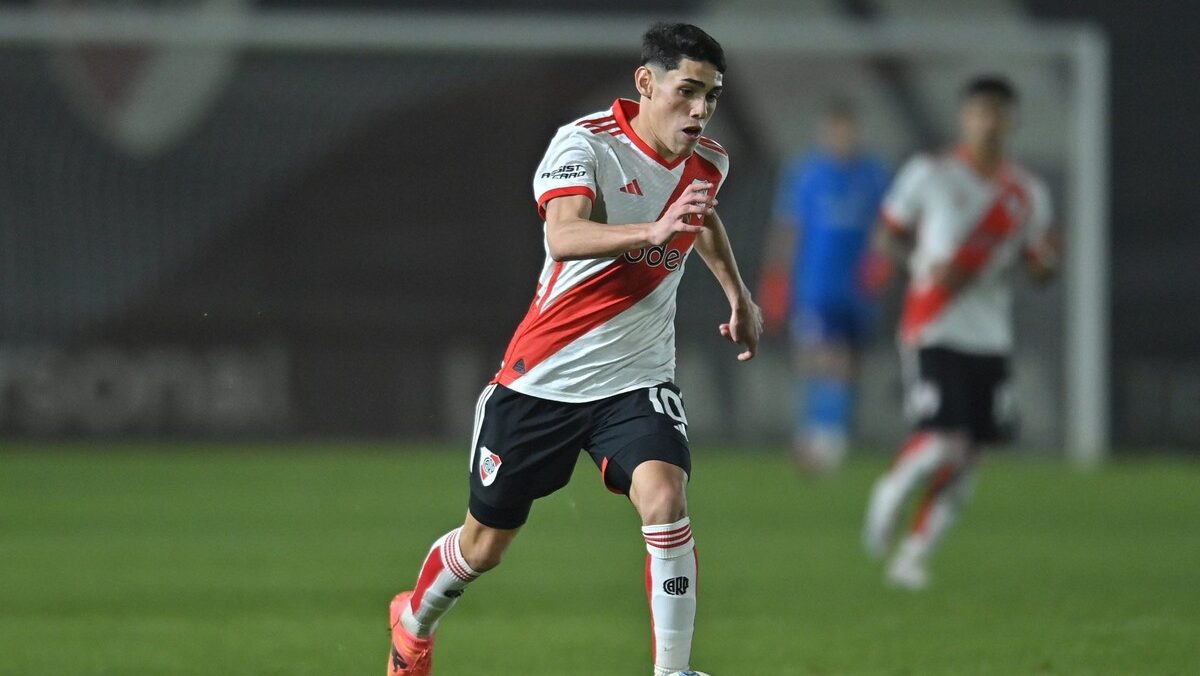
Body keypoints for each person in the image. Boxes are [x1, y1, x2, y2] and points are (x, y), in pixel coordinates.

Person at [386, 23, 761, 676]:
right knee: (485, 546)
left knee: (666, 499)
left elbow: (704, 215)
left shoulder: (709, 162)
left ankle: (673, 671)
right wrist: (654, 227)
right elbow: (563, 236)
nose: (700, 110)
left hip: (635, 380)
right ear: (647, 83)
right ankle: (413, 624)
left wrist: (738, 294)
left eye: (712, 97)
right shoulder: (585, 144)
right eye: (688, 91)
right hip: (543, 380)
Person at [862, 75, 1058, 590]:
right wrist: (919, 266)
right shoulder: (929, 173)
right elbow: (886, 235)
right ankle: (891, 490)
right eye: (979, 111)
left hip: (990, 335)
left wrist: (1045, 265)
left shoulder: (1027, 193)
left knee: (973, 455)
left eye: (997, 112)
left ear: (1012, 120)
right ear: (964, 118)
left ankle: (914, 553)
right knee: (940, 441)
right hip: (933, 323)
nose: (988, 122)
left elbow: (1041, 266)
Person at [760, 102, 891, 473]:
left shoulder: (873, 176)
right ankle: (821, 437)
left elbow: (887, 226)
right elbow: (788, 230)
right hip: (816, 284)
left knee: (847, 361)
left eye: (848, 130)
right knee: (820, 356)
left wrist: (881, 265)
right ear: (825, 133)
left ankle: (828, 434)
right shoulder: (808, 176)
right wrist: (777, 280)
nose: (842, 138)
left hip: (858, 286)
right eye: (836, 130)